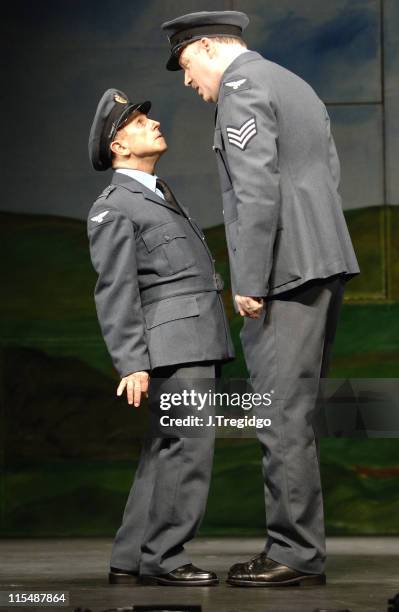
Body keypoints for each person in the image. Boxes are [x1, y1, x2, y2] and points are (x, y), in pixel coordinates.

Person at [161, 11, 360, 587]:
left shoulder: (242, 88)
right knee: (296, 412)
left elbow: (256, 189)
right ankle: (300, 547)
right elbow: (325, 172)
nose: (187, 81)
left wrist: (248, 278)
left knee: (278, 413)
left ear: (203, 47)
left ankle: (294, 552)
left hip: (286, 270)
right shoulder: (292, 81)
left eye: (185, 66)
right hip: (321, 259)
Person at [87, 88, 234, 586]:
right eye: (136, 121)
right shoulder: (115, 206)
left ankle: (131, 556)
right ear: (118, 147)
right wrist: (131, 361)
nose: (152, 123)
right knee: (187, 447)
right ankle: (165, 557)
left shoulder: (156, 193)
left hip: (191, 337)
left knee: (165, 448)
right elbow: (115, 287)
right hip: (174, 344)